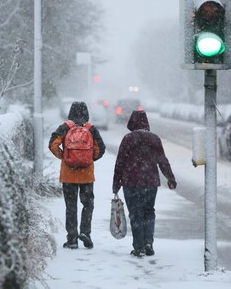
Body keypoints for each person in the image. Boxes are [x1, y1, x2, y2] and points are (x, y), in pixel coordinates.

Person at [112, 110, 177, 257]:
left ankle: (138, 246)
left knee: (135, 214)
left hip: (131, 182)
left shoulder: (128, 139)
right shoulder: (154, 139)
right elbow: (162, 161)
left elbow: (120, 163)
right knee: (149, 212)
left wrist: (116, 184)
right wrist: (170, 178)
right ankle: (148, 243)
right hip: (150, 182)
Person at [49, 101, 106, 249]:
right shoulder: (91, 129)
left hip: (68, 175)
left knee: (71, 206)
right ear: (86, 112)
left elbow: (53, 144)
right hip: (86, 175)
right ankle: (85, 233)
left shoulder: (65, 127)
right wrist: (88, 159)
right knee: (88, 204)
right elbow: (101, 149)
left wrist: (65, 157)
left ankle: (72, 239)